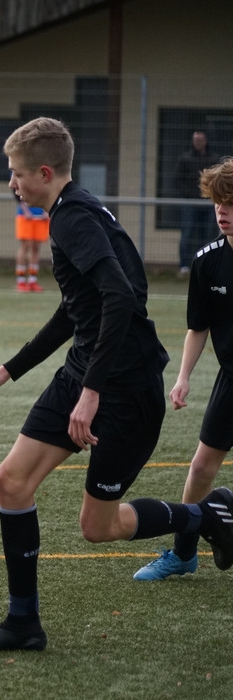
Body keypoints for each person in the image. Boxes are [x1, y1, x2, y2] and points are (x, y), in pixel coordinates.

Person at [0, 117, 233, 653]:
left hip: (126, 389)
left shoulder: (73, 219)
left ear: (43, 173)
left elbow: (121, 298)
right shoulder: (72, 210)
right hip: (88, 371)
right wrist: (11, 369)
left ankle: (206, 515)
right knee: (11, 481)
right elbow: (76, 309)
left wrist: (91, 392)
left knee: (98, 527)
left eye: (16, 174)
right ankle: (23, 623)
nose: (11, 183)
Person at [134, 157, 233, 581]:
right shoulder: (208, 261)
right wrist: (183, 378)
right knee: (201, 468)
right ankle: (183, 552)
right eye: (217, 203)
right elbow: (199, 327)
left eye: (230, 203)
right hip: (231, 381)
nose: (222, 211)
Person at [175, 130, 216, 277]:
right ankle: (184, 266)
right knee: (187, 233)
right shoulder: (185, 159)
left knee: (208, 235)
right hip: (190, 202)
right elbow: (177, 180)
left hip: (208, 203)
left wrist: (211, 195)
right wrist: (188, 195)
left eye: (200, 140)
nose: (198, 143)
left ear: (205, 141)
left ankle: (206, 266)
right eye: (196, 140)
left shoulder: (213, 159)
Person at [14, 193, 48, 292]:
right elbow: (16, 191)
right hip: (25, 216)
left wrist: (47, 211)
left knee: (36, 248)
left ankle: (32, 281)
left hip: (41, 216)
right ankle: (21, 281)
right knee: (25, 246)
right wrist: (25, 210)